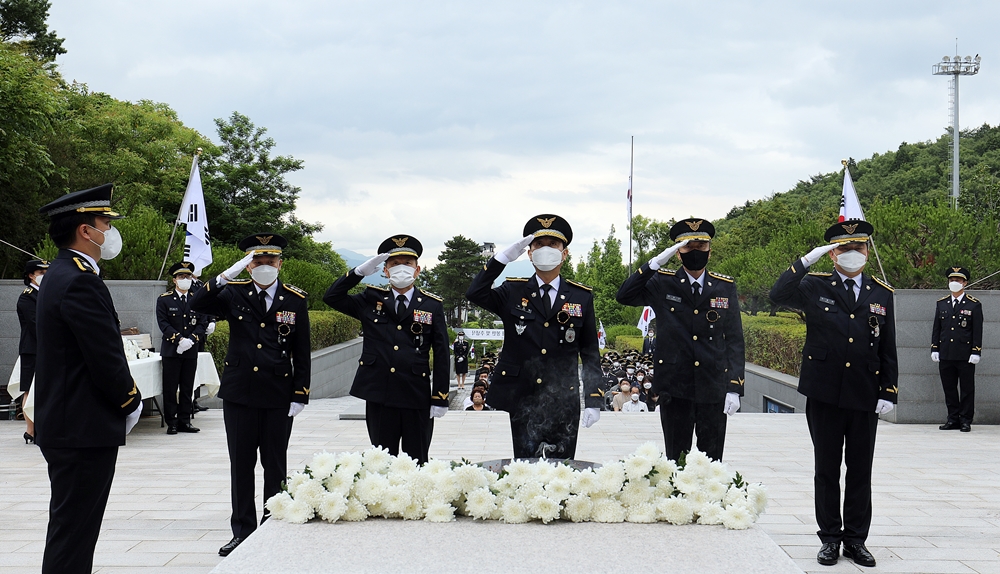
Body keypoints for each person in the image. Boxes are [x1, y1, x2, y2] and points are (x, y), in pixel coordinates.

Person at [769, 220, 897, 568]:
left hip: (864, 393)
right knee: (826, 469)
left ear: (868, 252)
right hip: (824, 392)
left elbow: (888, 346)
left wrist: (889, 390)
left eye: (859, 248)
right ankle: (829, 538)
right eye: (844, 248)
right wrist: (804, 261)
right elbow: (776, 295)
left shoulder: (882, 293)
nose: (853, 254)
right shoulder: (813, 286)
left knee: (860, 470)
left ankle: (856, 540)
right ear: (832, 254)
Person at [34, 184, 143, 574]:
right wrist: (131, 400)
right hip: (81, 428)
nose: (109, 231)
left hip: (69, 425)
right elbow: (103, 356)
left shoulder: (62, 273)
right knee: (74, 533)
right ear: (85, 230)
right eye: (105, 223)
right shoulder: (79, 278)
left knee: (72, 529)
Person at [189, 233, 311, 557]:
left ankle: (274, 528)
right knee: (241, 466)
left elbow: (303, 350)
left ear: (280, 263)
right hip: (240, 394)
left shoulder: (294, 299)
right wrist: (226, 274)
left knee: (275, 466)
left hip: (278, 394)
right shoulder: (233, 293)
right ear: (248, 265)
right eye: (257, 261)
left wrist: (301, 393)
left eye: (271, 261)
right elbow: (195, 302)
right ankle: (242, 532)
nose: (265, 266)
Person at [466, 214, 603, 459]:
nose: (546, 250)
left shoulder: (581, 296)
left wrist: (593, 398)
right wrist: (501, 259)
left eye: (553, 244)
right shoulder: (513, 290)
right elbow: (475, 293)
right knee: (524, 469)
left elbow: (590, 351)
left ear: (565, 253)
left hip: (564, 395)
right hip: (523, 396)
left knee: (563, 472)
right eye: (539, 245)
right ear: (529, 253)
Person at [616, 218, 745, 462]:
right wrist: (653, 264)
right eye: (688, 247)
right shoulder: (662, 282)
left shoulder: (723, 286)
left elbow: (735, 340)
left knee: (712, 464)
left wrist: (735, 388)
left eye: (700, 247)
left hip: (713, 388)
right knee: (675, 462)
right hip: (675, 389)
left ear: (709, 251)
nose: (695, 252)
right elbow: (624, 295)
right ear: (677, 253)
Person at [323, 235, 450, 464]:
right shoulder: (370, 299)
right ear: (385, 271)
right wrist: (358, 273)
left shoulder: (432, 305)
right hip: (380, 394)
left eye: (407, 263)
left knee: (418, 461)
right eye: (394, 264)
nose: (402, 268)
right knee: (381, 462)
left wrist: (440, 396)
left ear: (417, 269)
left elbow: (441, 353)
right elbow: (331, 297)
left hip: (416, 395)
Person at [156, 261, 209, 434]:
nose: (185, 279)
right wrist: (179, 339)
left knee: (187, 387)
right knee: (170, 388)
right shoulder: (164, 300)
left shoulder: (196, 300)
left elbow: (202, 322)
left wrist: (192, 339)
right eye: (181, 276)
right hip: (172, 350)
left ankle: (185, 421)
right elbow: (163, 324)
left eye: (187, 276)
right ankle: (171, 421)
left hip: (191, 350)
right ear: (174, 280)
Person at [931, 267, 983, 432]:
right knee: (949, 388)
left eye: (958, 281)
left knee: (967, 389)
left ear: (965, 283)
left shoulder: (973, 305)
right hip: (946, 353)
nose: (954, 283)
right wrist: (935, 348)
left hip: (965, 354)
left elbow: (977, 331)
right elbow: (937, 328)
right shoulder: (942, 303)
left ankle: (966, 420)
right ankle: (952, 418)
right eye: (952, 280)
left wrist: (976, 351)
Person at [16, 259, 48, 444]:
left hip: (45, 348)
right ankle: (31, 430)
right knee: (29, 389)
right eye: (41, 273)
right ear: (30, 276)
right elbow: (36, 324)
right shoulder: (27, 297)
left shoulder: (45, 294)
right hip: (32, 349)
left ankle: (42, 427)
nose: (44, 276)